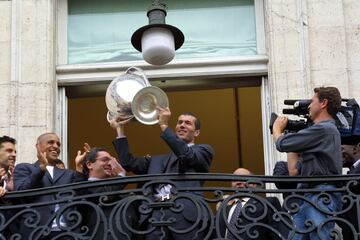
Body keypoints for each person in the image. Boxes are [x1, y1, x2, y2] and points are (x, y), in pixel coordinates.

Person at [111, 107, 214, 240]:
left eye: (187, 123)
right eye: (179, 122)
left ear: (197, 132)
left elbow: (186, 155)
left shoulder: (203, 150)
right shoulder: (156, 160)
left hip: (186, 215)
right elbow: (128, 163)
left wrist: (164, 126)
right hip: (154, 216)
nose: (182, 125)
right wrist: (120, 130)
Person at [273, 86, 342, 240]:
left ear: (323, 103)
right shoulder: (319, 132)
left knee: (320, 237)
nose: (309, 106)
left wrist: (277, 130)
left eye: (312, 101)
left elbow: (281, 144)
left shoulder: (325, 129)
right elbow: (293, 171)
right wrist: (295, 141)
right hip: (307, 195)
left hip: (321, 194)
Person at [13, 132, 86, 239]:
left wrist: (79, 168)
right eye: (50, 142)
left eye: (58, 144)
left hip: (67, 232)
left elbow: (81, 195)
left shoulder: (68, 173)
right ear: (38, 146)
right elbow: (22, 193)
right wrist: (41, 168)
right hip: (36, 231)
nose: (56, 146)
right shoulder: (25, 168)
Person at [216, 168, 282, 240]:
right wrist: (220, 208)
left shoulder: (267, 202)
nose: (238, 182)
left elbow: (278, 233)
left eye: (243, 178)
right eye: (234, 179)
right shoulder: (225, 207)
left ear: (253, 184)